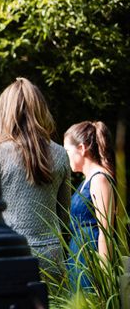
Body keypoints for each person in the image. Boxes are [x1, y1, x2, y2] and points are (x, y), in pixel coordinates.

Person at [0, 78, 71, 279]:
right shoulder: (61, 154)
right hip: (52, 258)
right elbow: (64, 216)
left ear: (4, 112)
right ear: (40, 110)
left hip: (8, 256)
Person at [64, 120, 116, 291]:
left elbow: (105, 232)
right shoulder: (87, 180)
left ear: (81, 148)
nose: (66, 156)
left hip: (92, 262)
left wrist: (105, 279)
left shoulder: (100, 178)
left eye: (67, 151)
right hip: (80, 260)